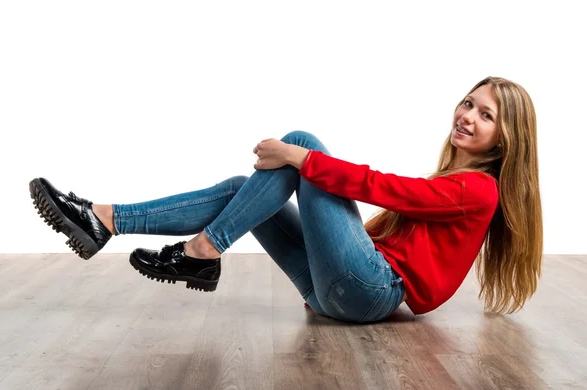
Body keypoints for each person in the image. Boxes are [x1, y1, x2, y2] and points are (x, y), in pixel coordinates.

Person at [29, 76, 542, 323]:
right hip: (341, 294)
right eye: (468, 102)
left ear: (505, 139)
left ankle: (201, 250)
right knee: (240, 190)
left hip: (368, 293)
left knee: (305, 145)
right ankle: (106, 219)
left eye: (486, 115)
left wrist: (300, 159)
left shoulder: (479, 188)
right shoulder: (461, 181)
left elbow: (383, 187)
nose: (468, 115)